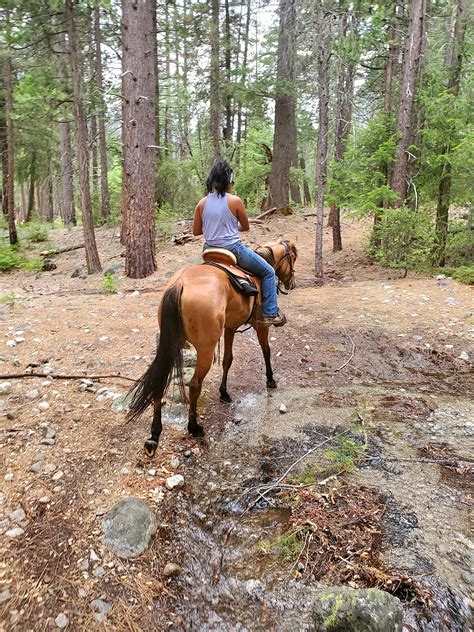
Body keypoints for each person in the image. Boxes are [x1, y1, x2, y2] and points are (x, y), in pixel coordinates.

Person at [192, 160, 286, 327]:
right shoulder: (235, 201)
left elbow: (197, 232)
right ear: (229, 181)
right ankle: (270, 312)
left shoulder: (201, 203)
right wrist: (231, 226)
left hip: (209, 251)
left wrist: (213, 227)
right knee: (269, 272)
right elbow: (246, 227)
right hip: (232, 249)